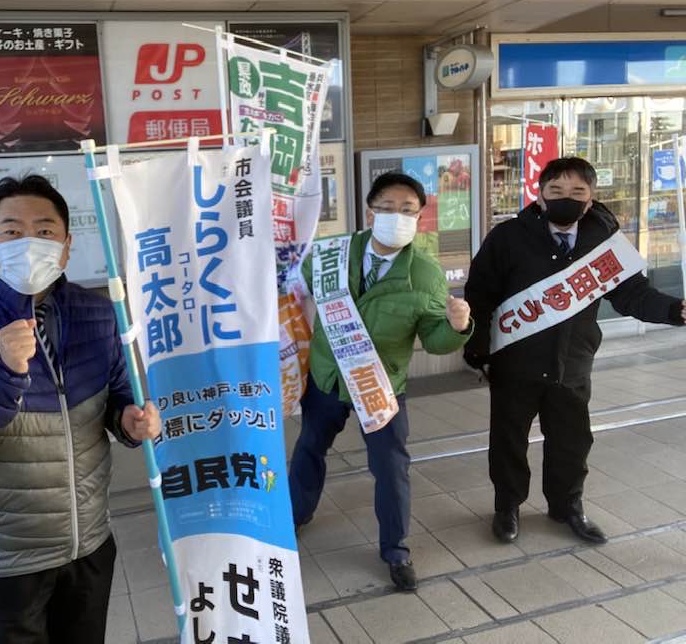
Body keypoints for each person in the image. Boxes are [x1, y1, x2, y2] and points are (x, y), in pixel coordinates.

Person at [0, 175, 161, 644]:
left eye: (45, 232)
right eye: (11, 231)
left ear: (66, 246)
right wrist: (2, 373)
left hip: (88, 545)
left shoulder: (99, 313)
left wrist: (128, 420)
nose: (29, 242)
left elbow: (118, 394)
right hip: (4, 560)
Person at [464, 156, 686, 545]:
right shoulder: (509, 237)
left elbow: (632, 294)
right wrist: (478, 350)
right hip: (515, 362)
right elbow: (480, 296)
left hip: (573, 362)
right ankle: (507, 507)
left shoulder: (604, 241)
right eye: (556, 191)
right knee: (509, 439)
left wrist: (673, 310)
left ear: (591, 197)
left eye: (577, 192)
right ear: (539, 193)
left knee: (572, 440)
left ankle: (568, 506)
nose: (566, 198)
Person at [288, 172, 472, 592]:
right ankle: (295, 516)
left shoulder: (424, 273)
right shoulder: (331, 254)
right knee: (308, 449)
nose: (397, 217)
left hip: (381, 385)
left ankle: (396, 550)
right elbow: (292, 292)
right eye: (387, 208)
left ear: (420, 217)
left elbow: (436, 341)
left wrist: (458, 326)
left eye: (408, 210)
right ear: (370, 211)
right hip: (328, 378)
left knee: (391, 469)